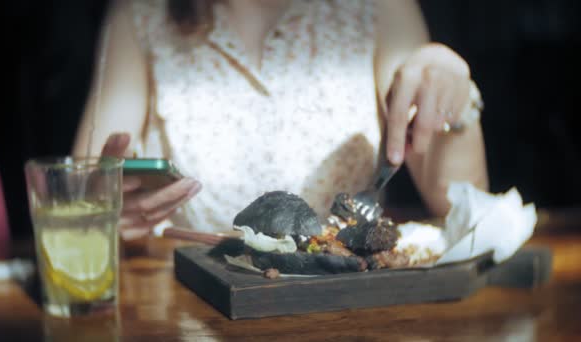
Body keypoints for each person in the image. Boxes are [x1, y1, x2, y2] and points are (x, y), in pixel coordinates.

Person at [72, 0, 488, 239]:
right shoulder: (141, 17)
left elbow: (460, 201)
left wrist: (454, 96)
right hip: (195, 309)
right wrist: (101, 211)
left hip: (347, 308)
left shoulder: (377, 8)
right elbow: (78, 198)